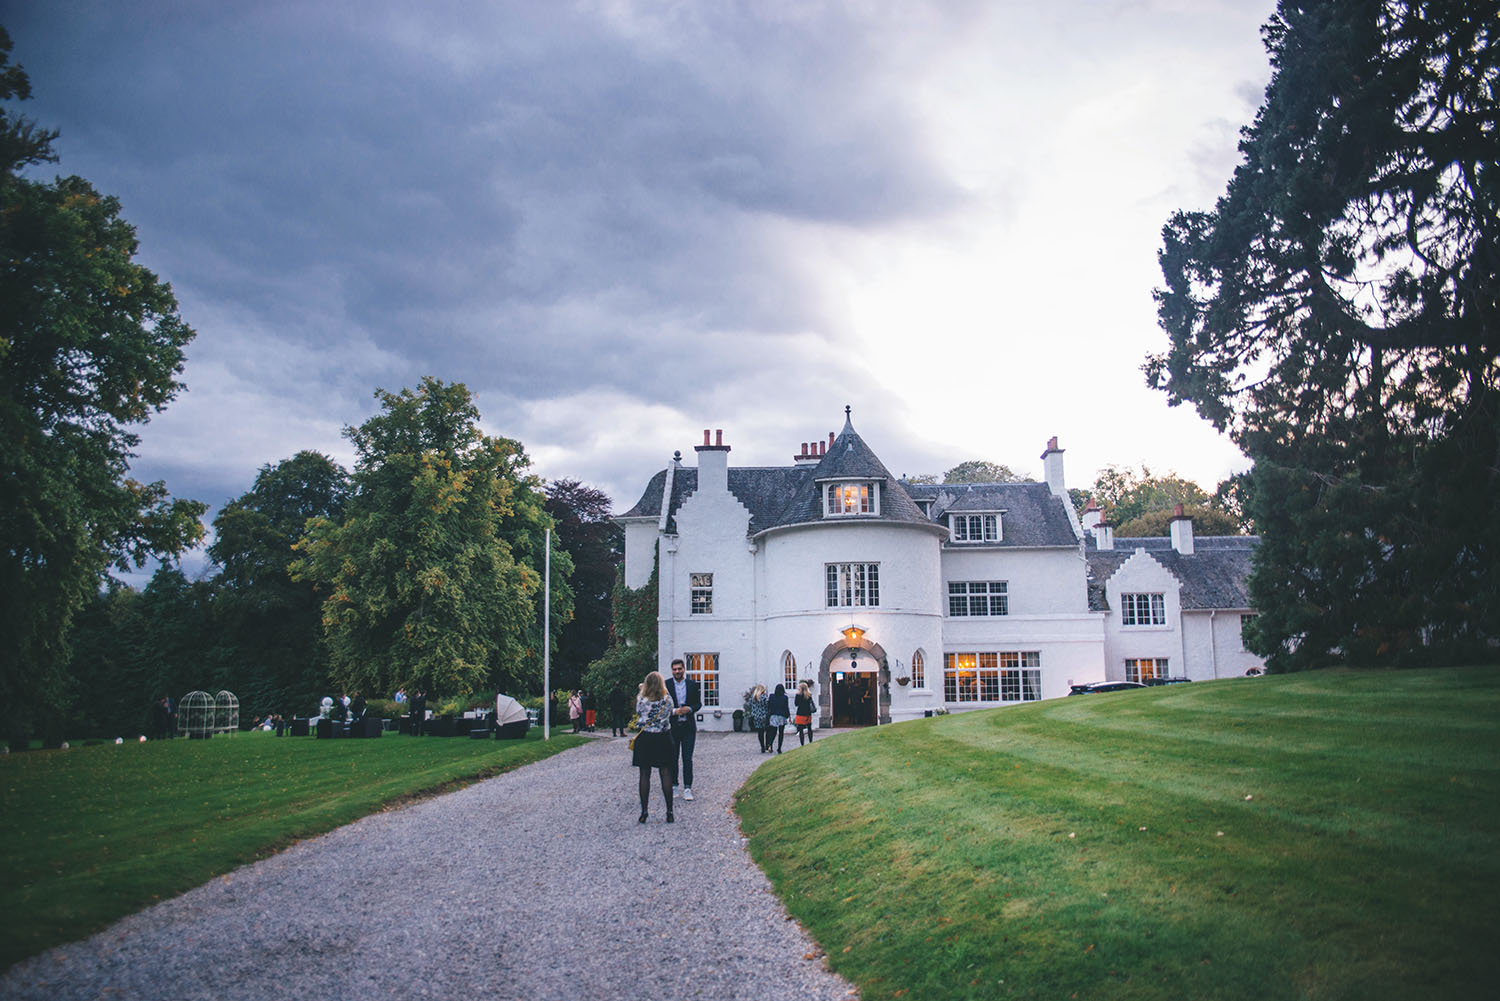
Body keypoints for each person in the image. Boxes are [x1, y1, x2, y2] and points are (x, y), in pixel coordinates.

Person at [632, 671, 676, 823]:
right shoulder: (666, 699)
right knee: (665, 773)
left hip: (645, 738)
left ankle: (644, 812)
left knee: (644, 774)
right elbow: (671, 711)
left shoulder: (642, 700)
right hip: (663, 737)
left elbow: (638, 712)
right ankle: (669, 811)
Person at [665, 658, 701, 800]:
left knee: (687, 758)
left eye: (679, 669)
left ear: (684, 669)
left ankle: (687, 788)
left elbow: (698, 704)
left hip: (688, 727)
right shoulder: (666, 685)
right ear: (672, 670)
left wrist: (690, 709)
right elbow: (662, 705)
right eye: (675, 669)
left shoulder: (692, 685)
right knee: (673, 758)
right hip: (673, 727)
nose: (677, 671)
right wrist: (675, 711)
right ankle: (674, 786)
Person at [766, 683, 791, 754]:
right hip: (781, 716)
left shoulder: (771, 696)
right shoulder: (785, 697)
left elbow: (769, 706)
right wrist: (788, 716)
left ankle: (770, 744)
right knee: (781, 733)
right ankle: (779, 748)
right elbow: (786, 707)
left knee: (773, 732)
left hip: (773, 716)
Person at [748, 684, 770, 753]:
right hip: (764, 716)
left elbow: (749, 705)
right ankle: (767, 745)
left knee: (760, 732)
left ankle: (762, 746)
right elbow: (768, 704)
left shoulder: (753, 698)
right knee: (767, 731)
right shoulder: (764, 697)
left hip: (756, 717)